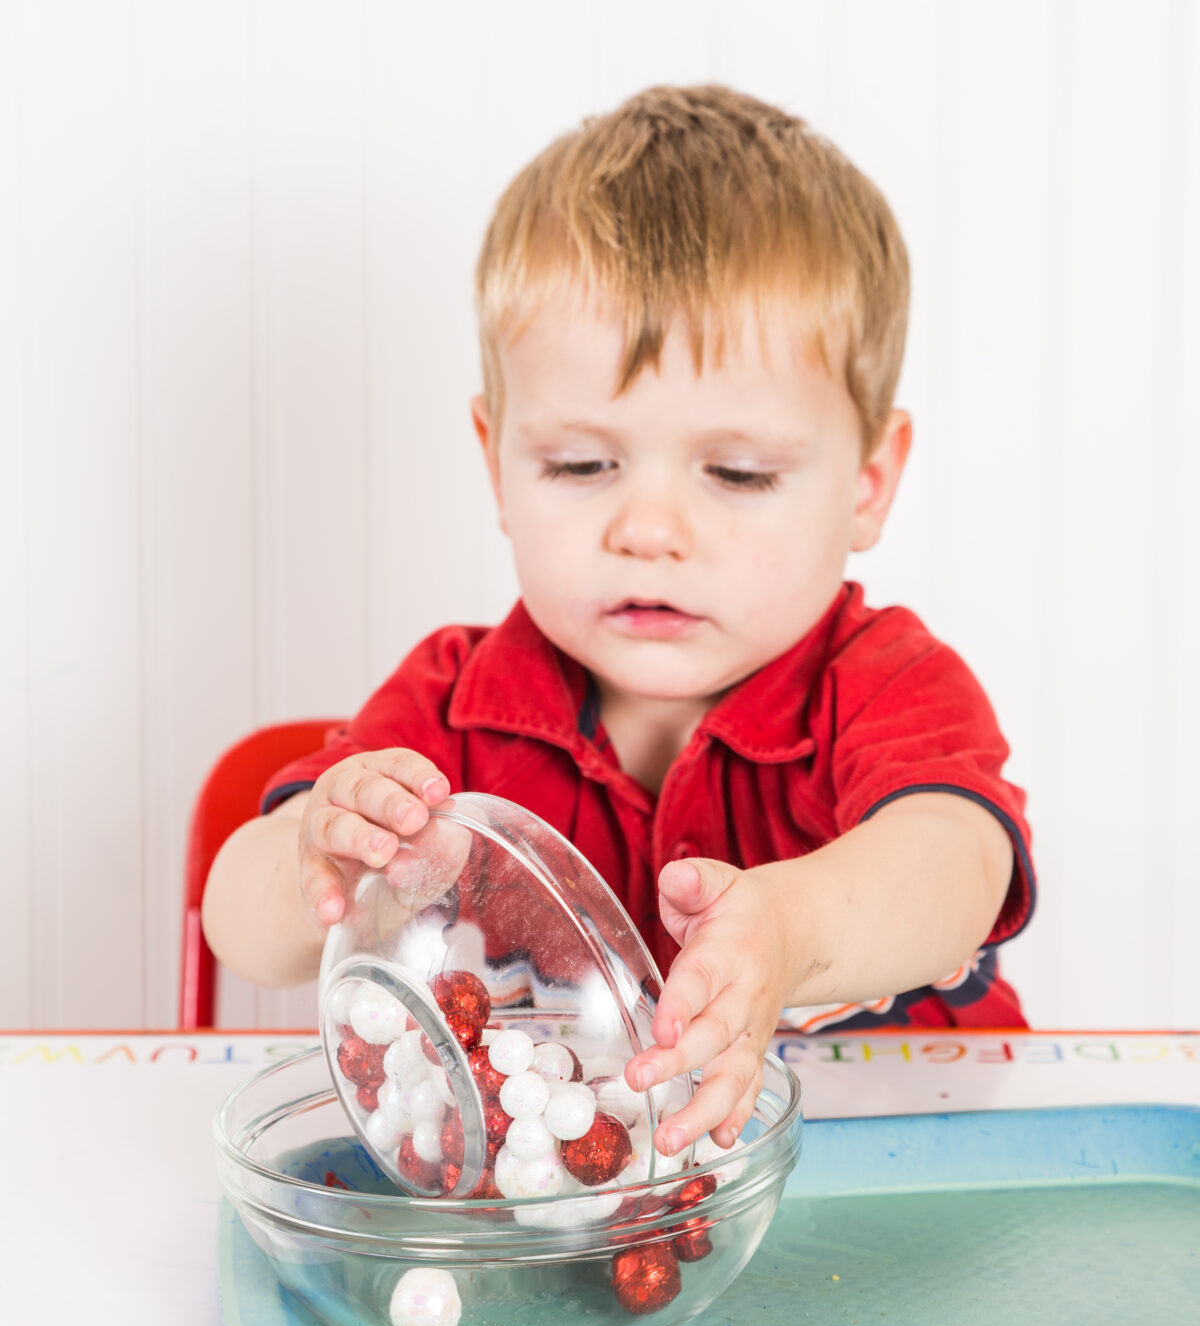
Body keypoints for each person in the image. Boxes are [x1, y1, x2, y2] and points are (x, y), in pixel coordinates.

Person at [202, 83, 1035, 1159]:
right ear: (496, 462)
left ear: (869, 483)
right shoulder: (454, 706)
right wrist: (318, 848)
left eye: (736, 473)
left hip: (904, 1195)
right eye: (582, 463)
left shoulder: (886, 683)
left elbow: (957, 867)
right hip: (569, 1218)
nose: (648, 529)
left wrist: (795, 930)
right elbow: (241, 921)